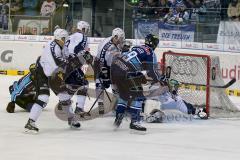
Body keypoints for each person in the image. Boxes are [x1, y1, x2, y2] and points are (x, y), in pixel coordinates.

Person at [110, 34, 164, 132]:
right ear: (154, 43)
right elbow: (151, 71)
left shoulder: (137, 47)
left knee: (124, 96)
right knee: (138, 96)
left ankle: (117, 120)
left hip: (116, 68)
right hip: (126, 71)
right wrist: (159, 79)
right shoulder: (150, 53)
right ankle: (135, 122)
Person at [24, 28, 71, 133]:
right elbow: (59, 62)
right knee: (43, 97)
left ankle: (71, 119)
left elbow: (68, 56)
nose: (66, 40)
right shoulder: (52, 47)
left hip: (52, 74)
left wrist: (80, 57)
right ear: (60, 38)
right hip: (42, 75)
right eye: (64, 38)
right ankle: (30, 122)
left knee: (64, 96)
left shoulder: (62, 46)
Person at [55, 20, 92, 116]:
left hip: (64, 64)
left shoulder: (70, 36)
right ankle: (79, 108)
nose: (87, 32)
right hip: (72, 63)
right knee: (84, 84)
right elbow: (77, 49)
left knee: (72, 84)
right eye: (86, 29)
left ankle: (63, 102)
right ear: (83, 29)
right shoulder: (83, 37)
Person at [94, 28, 125, 115]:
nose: (122, 40)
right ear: (115, 37)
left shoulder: (118, 41)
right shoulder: (106, 47)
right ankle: (100, 105)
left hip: (113, 65)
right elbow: (101, 62)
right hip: (101, 64)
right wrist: (104, 75)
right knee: (100, 84)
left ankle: (115, 106)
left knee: (116, 85)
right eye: (121, 38)